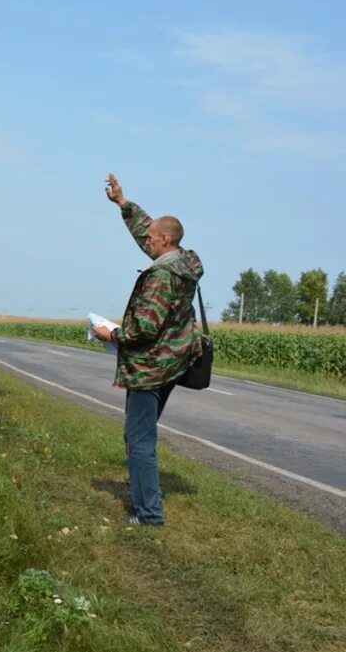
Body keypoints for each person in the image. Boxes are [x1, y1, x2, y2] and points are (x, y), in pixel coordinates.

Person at [92, 173, 203, 527]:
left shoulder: (160, 276)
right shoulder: (182, 263)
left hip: (151, 368)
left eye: (153, 239)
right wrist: (124, 204)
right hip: (173, 361)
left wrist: (109, 334)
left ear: (165, 240)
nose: (147, 242)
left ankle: (149, 515)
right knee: (139, 434)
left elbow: (144, 328)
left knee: (139, 440)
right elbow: (146, 230)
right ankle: (147, 497)